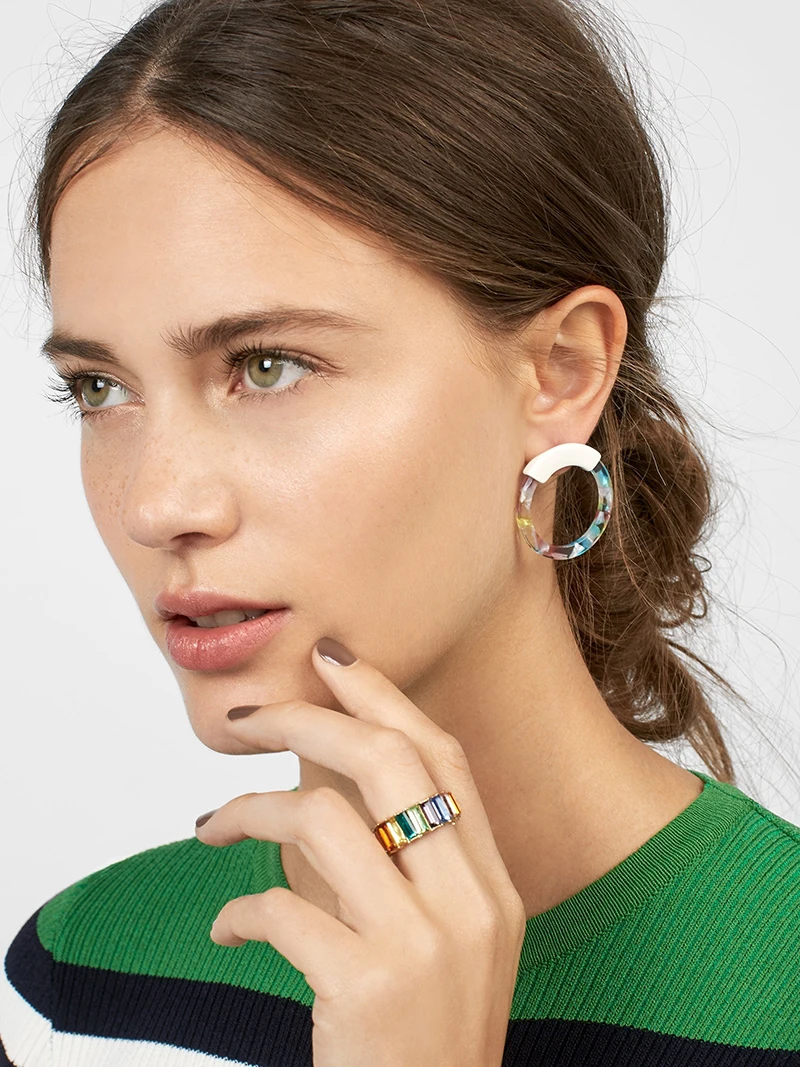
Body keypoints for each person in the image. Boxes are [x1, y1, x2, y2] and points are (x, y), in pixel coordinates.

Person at [2, 0, 799, 1063]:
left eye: (267, 365)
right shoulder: (74, 978)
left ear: (561, 369)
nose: (156, 504)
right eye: (100, 387)